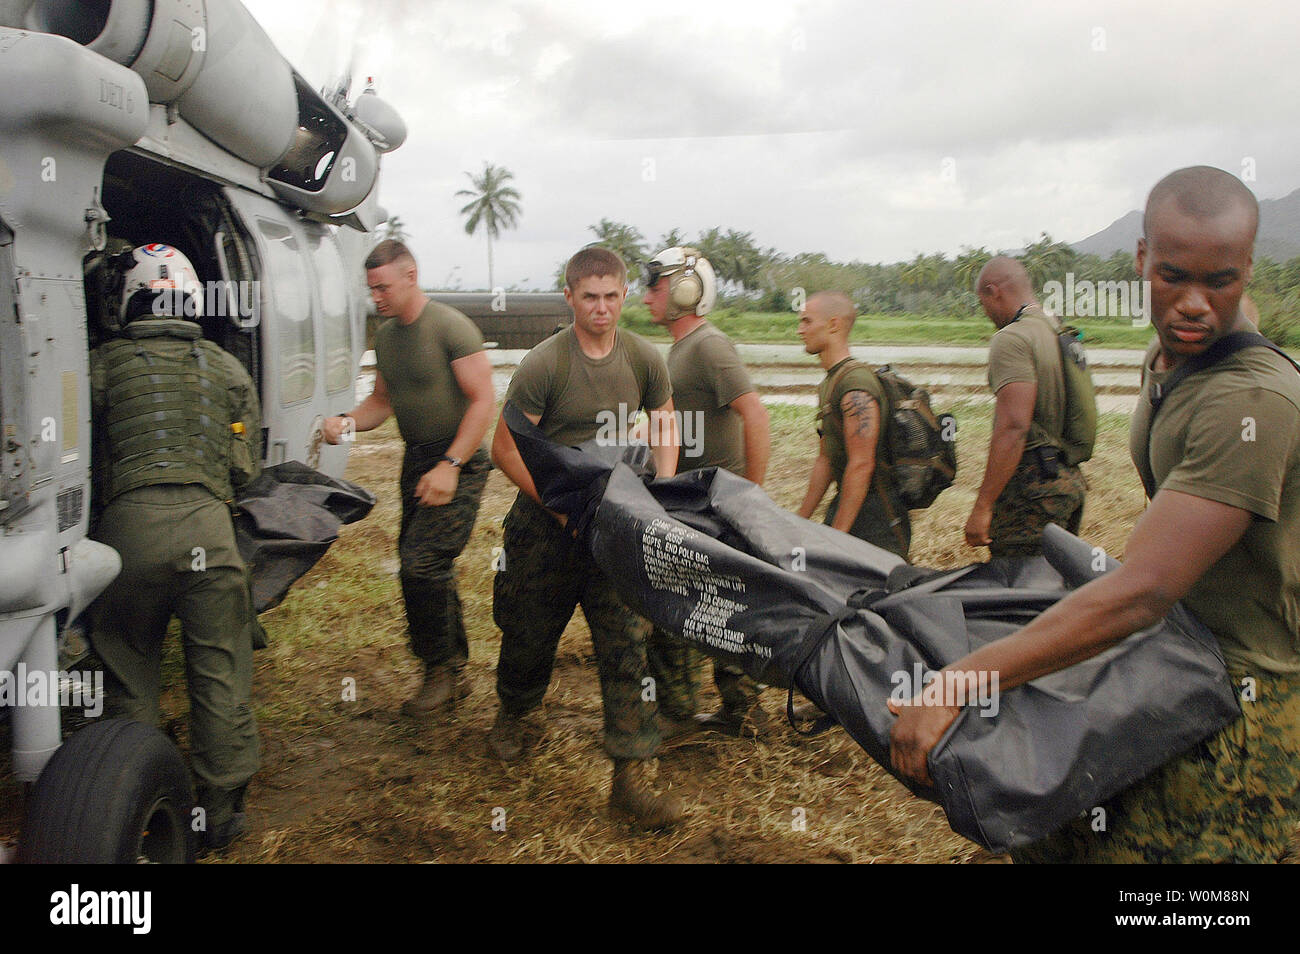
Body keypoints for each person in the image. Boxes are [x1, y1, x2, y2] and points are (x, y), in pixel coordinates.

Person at [889, 166, 1300, 863]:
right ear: (1142, 260)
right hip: (1176, 662)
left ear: (1248, 271)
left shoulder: (1249, 403)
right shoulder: (1168, 361)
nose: (1195, 303)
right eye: (1174, 276)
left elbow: (1142, 592)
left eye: (1221, 281)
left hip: (1241, 709)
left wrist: (963, 679)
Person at [488, 246, 684, 830]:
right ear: (570, 297)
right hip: (545, 526)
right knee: (528, 632)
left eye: (611, 297)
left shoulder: (645, 357)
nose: (601, 309)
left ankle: (629, 779)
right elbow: (503, 447)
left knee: (627, 642)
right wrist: (557, 505)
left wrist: (663, 493)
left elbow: (666, 419)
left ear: (624, 296)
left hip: (612, 521)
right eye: (589, 297)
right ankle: (515, 713)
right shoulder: (546, 365)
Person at [89, 243, 262, 851]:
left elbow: (82, 463)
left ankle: (131, 798)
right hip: (209, 536)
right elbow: (247, 474)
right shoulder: (226, 370)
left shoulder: (101, 365)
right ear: (191, 299)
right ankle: (219, 813)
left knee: (127, 662)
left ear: (130, 300)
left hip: (126, 535)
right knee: (219, 668)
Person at [321, 240, 493, 719]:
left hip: (458, 460)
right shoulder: (389, 338)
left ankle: (441, 671)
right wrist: (346, 421)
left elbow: (483, 401)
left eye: (383, 286)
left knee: (421, 564)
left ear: (411, 276)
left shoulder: (451, 328)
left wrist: (451, 466)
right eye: (370, 288)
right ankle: (451, 670)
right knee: (422, 563)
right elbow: (381, 401)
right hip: (417, 460)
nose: (376, 296)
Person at [640, 246, 771, 738]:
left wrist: (749, 496)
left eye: (655, 285)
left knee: (687, 607)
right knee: (719, 605)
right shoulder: (682, 349)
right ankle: (740, 709)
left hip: (718, 505)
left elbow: (755, 415)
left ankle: (678, 715)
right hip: (694, 501)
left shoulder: (710, 346)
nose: (646, 295)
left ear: (684, 291)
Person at [965, 257, 1088, 556]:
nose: (988, 315)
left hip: (1032, 491)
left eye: (984, 305)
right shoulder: (1058, 331)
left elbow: (1013, 427)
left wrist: (983, 506)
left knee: (1019, 588)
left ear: (994, 292)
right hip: (1068, 481)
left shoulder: (1013, 338)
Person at [796, 291, 910, 559]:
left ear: (833, 324)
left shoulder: (854, 385)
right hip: (847, 504)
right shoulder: (830, 382)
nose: (800, 330)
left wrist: (837, 538)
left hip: (877, 517)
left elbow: (862, 464)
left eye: (807, 322)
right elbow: (826, 459)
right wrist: (799, 519)